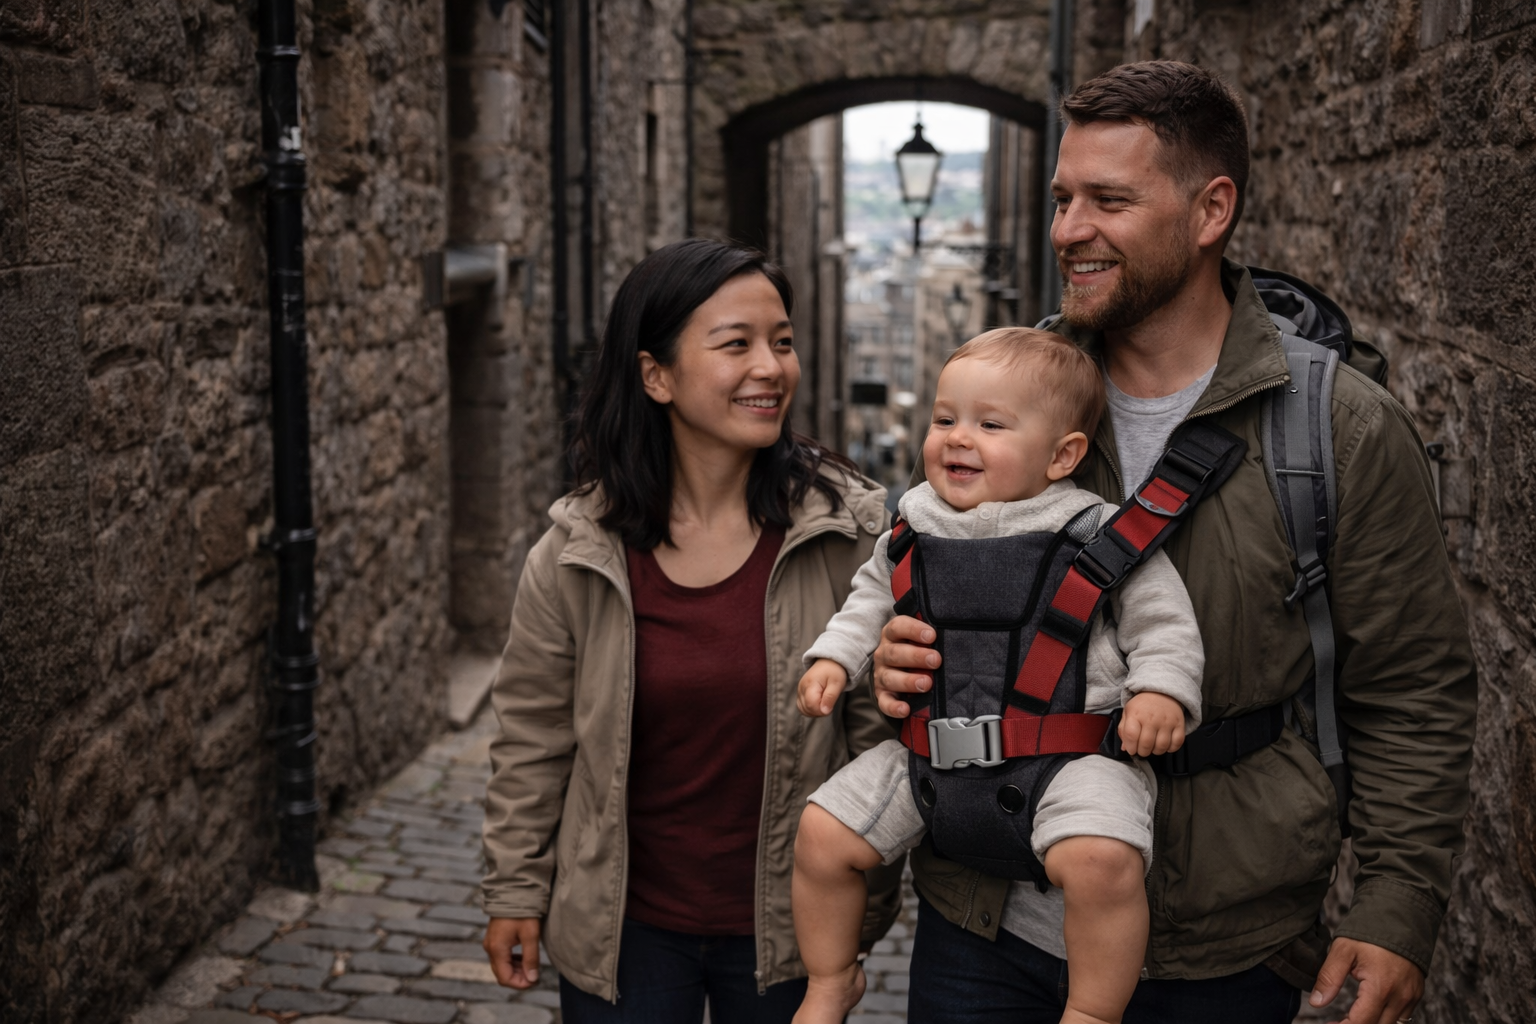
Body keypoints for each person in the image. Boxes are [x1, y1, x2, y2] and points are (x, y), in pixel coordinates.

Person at [870, 61, 1476, 1024]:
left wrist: (1398, 903)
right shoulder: (1004, 398)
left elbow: (1411, 687)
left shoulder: (1338, 430)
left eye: (1109, 200)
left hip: (1221, 952)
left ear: (1210, 211)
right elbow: (914, 575)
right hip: (988, 922)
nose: (1069, 230)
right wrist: (894, 659)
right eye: (1063, 199)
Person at [479, 239, 902, 1023]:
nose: (770, 367)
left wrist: (857, 910)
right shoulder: (578, 554)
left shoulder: (849, 539)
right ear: (657, 375)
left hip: (793, 929)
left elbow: (877, 743)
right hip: (625, 930)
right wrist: (514, 890)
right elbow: (534, 737)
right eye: (736, 344)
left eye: (781, 341)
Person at [790, 329, 1205, 1024]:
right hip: (930, 757)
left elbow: (1163, 622)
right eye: (944, 419)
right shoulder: (911, 527)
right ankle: (831, 979)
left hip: (1068, 759)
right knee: (821, 834)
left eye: (990, 425)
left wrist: (1161, 690)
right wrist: (835, 658)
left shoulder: (1097, 533)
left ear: (1062, 455)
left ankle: (1093, 1010)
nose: (958, 437)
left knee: (1104, 861)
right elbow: (869, 600)